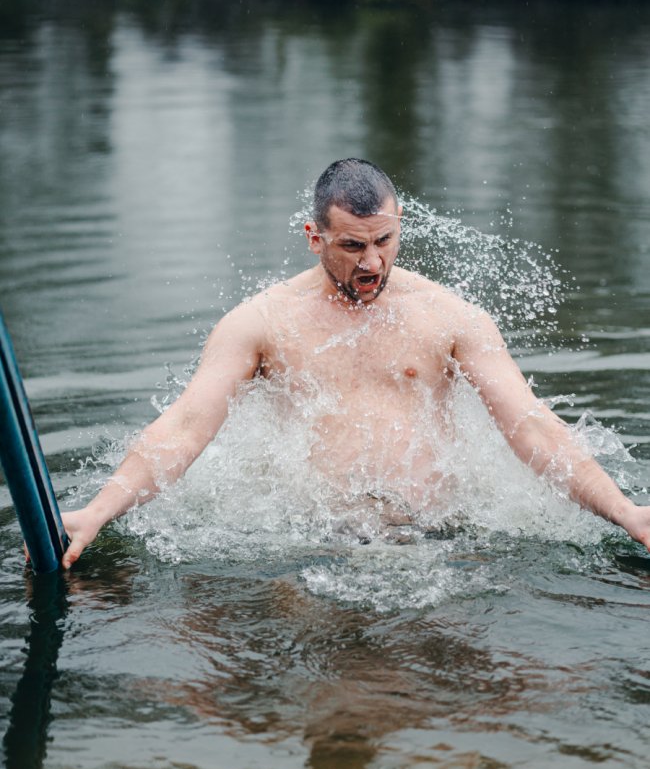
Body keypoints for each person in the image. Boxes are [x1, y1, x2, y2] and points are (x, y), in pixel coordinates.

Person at [59, 158, 650, 568]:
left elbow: (530, 426)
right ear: (314, 238)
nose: (373, 263)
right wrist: (97, 514)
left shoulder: (449, 317)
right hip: (310, 547)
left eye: (385, 241)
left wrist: (627, 514)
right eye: (352, 246)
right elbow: (186, 427)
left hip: (439, 541)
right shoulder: (261, 322)